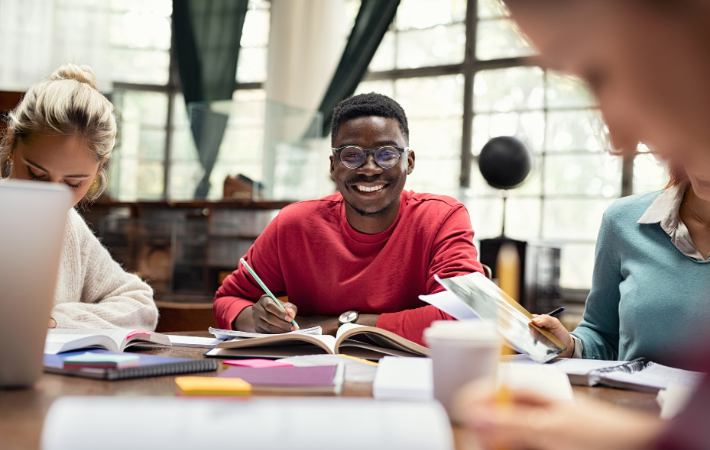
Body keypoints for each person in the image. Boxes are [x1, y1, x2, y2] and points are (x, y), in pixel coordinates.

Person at [454, 1, 710, 449]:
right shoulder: (624, 221)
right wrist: (573, 353)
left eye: (600, 73)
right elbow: (605, 339)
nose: (618, 138)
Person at [214, 93, 483, 345]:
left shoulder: (442, 218)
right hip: (313, 381)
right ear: (333, 165)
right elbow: (229, 298)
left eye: (387, 154)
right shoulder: (294, 224)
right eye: (351, 155)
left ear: (409, 161)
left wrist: (344, 324)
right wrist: (256, 320)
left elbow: (464, 316)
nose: (369, 169)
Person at [0, 63, 158, 330]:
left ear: (99, 168)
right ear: (12, 141)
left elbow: (141, 306)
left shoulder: (69, 227)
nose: (51, 196)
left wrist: (57, 321)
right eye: (37, 175)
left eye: (72, 183)